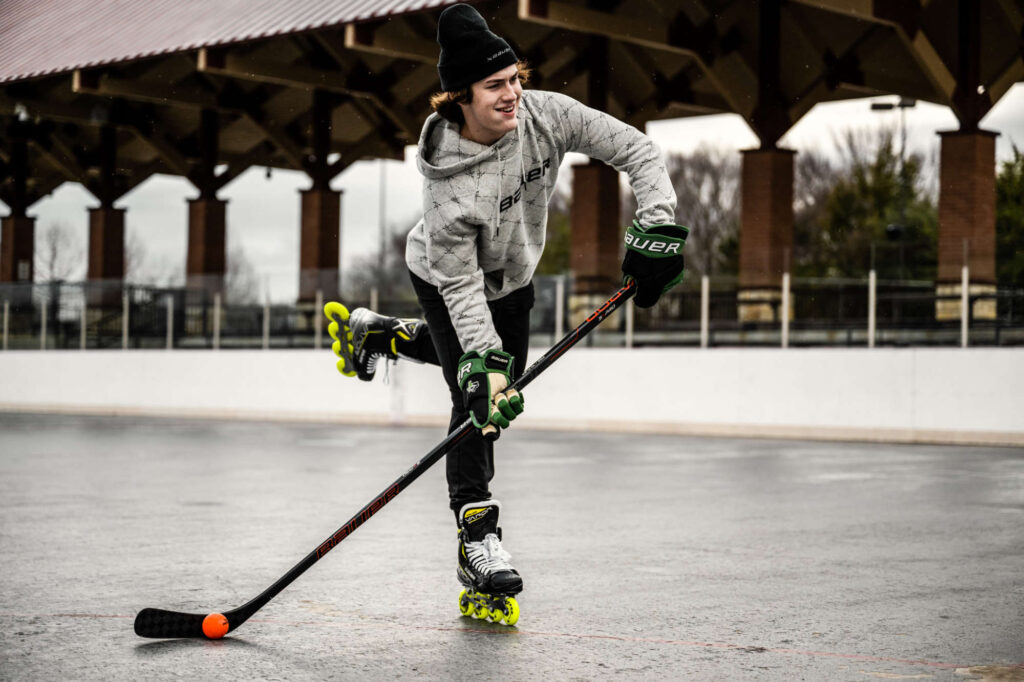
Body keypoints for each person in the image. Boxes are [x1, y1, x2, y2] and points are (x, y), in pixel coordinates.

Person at [324, 3, 687, 625]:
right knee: (479, 405)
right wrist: (482, 367)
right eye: (495, 86)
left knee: (492, 379)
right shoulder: (447, 190)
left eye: (514, 77)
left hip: (514, 280)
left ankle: (383, 337)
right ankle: (477, 538)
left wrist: (656, 220)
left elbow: (639, 151)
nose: (513, 94)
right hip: (447, 280)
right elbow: (461, 288)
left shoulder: (546, 114)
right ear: (458, 97)